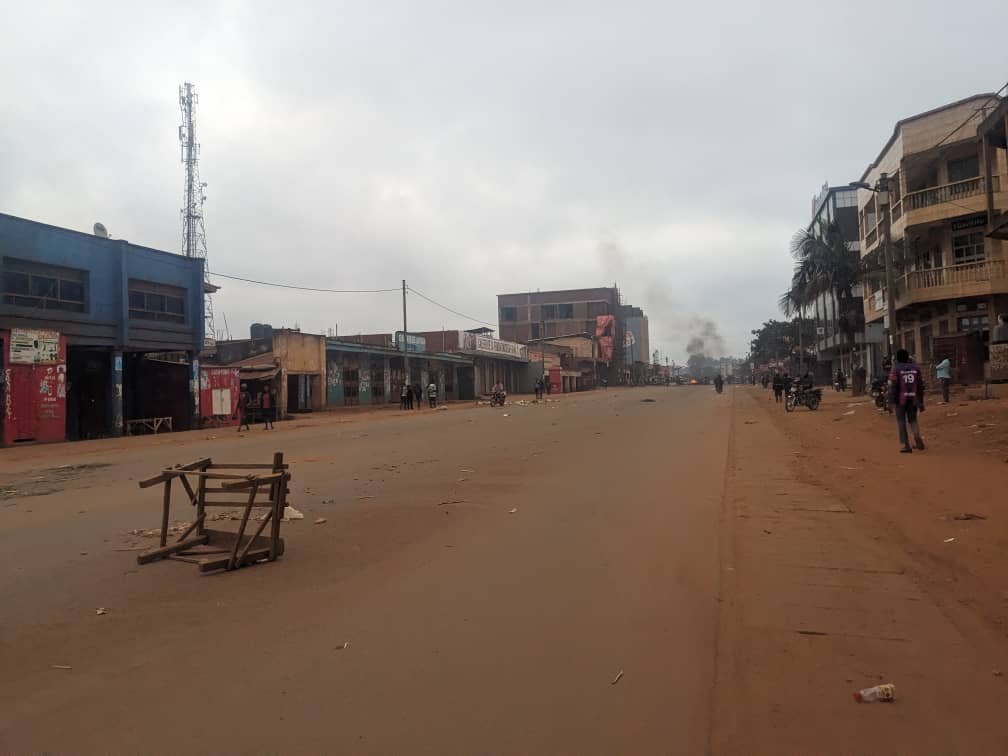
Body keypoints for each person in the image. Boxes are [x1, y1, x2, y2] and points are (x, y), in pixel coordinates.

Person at [889, 348, 925, 454]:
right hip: (913, 398)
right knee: (913, 419)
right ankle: (917, 436)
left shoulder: (896, 369)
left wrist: (891, 401)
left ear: (898, 358)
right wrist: (921, 401)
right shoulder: (916, 368)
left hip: (900, 400)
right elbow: (920, 386)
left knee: (901, 421)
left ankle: (906, 445)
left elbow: (893, 386)